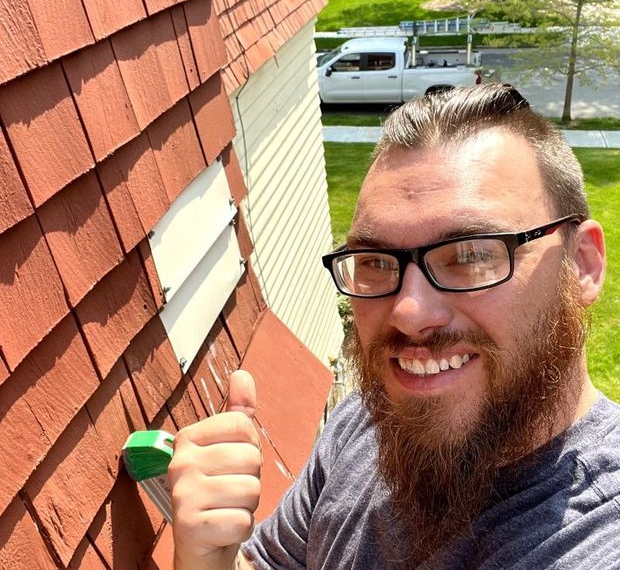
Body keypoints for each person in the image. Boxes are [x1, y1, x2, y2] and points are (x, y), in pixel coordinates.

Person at [168, 84, 618, 570]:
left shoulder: (595, 540)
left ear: (582, 265)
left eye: (471, 255)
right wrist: (208, 560)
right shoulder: (369, 420)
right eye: (376, 261)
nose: (408, 311)